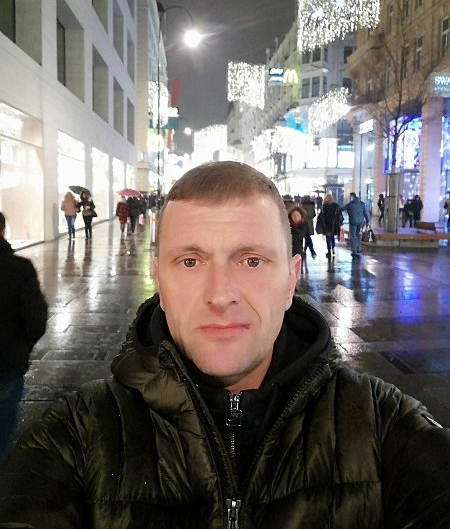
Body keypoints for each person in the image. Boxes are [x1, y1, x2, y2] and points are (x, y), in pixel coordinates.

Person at [0, 161, 449, 527]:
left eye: (251, 261)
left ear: (290, 280)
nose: (220, 294)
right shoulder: (76, 436)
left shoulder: (383, 426)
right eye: (190, 261)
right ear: (159, 281)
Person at [0, 212, 47, 462]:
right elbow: (36, 319)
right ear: (2, 231)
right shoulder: (19, 269)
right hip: (6, 362)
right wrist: (22, 347)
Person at [342, 191, 370, 257]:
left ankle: (354, 251)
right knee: (357, 234)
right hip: (361, 222)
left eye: (350, 197)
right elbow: (365, 213)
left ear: (352, 197)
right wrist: (367, 220)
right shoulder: (362, 203)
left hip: (353, 222)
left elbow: (342, 209)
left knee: (353, 235)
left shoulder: (350, 204)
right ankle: (359, 248)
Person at [316, 193, 343, 258]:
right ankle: (333, 249)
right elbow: (340, 215)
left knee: (328, 238)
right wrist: (340, 223)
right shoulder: (336, 206)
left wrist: (319, 225)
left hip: (326, 224)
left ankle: (329, 251)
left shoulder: (324, 206)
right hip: (334, 225)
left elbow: (321, 216)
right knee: (332, 237)